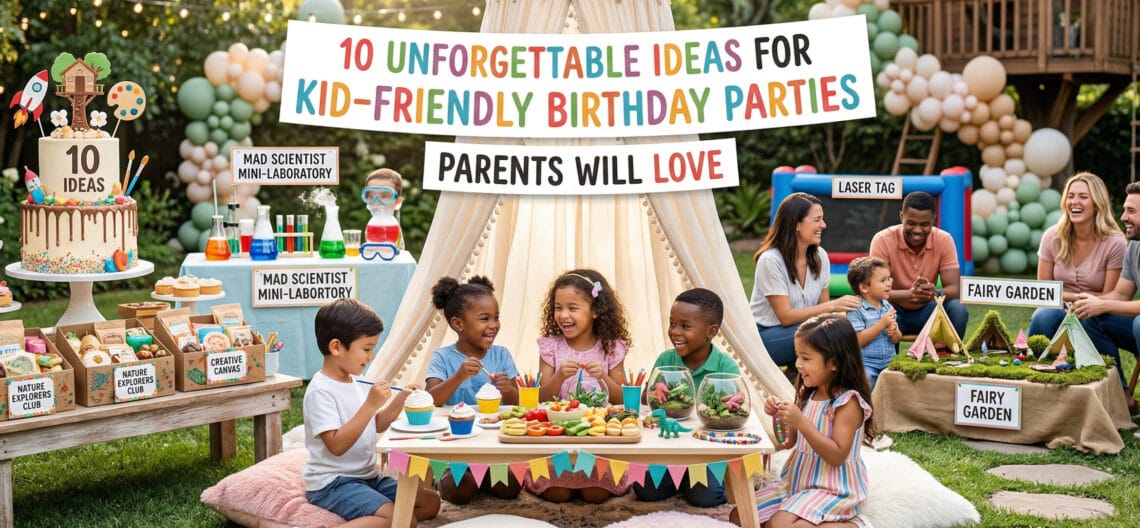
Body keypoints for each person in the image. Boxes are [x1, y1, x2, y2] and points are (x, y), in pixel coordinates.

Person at [303, 298, 440, 527]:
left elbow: (374, 424)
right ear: (336, 347)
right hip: (334, 483)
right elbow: (336, 446)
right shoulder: (321, 391)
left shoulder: (357, 381)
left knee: (430, 503)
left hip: (368, 477)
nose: (372, 355)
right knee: (400, 518)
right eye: (366, 348)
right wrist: (370, 405)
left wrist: (400, 399)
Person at [752, 313, 874, 528]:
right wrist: (779, 417)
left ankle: (854, 525)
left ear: (834, 363)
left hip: (834, 488)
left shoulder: (848, 403)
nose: (798, 364)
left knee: (777, 525)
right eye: (797, 356)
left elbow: (837, 456)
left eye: (806, 358)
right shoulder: (808, 392)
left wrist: (802, 423)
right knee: (742, 515)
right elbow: (788, 442)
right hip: (799, 483)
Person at [633, 288, 738, 507]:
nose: (674, 331)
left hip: (706, 454)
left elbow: (735, 408)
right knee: (645, 490)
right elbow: (647, 400)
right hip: (668, 449)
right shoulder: (666, 359)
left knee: (706, 498)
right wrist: (650, 394)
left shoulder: (724, 367)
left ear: (711, 331)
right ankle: (680, 479)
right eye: (672, 323)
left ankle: (715, 480)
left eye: (685, 326)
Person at [533, 269, 631, 503]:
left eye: (572, 308)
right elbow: (538, 397)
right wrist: (558, 377)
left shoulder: (611, 347)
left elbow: (623, 399)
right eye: (558, 307)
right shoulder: (551, 347)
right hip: (558, 438)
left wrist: (604, 379)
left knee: (595, 494)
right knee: (557, 493)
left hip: (598, 438)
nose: (563, 315)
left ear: (596, 311)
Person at [425, 275, 522, 504]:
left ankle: (484, 474)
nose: (493, 325)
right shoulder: (443, 357)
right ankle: (444, 478)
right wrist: (458, 375)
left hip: (493, 445)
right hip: (454, 446)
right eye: (484, 319)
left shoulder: (501, 355)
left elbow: (517, 403)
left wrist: (508, 389)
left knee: (511, 488)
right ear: (458, 324)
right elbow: (431, 400)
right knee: (461, 490)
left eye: (496, 318)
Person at [751, 193, 861, 371]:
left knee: (843, 329)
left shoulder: (820, 256)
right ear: (796, 225)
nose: (823, 225)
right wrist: (834, 306)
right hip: (766, 337)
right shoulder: (770, 260)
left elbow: (823, 313)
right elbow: (785, 317)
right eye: (817, 220)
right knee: (822, 335)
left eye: (822, 219)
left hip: (804, 331)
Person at [1028, 172, 1125, 356]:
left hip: (1095, 310)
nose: (1074, 202)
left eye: (1083, 197)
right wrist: (1073, 298)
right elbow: (1043, 291)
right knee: (1045, 314)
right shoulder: (1051, 236)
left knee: (1090, 318)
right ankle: (1036, 372)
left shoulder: (1115, 242)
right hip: (1056, 307)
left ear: (1097, 204)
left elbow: (1110, 295)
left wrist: (1070, 299)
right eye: (1070, 196)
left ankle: (1110, 380)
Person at [869, 191, 968, 338]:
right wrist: (909, 294)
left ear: (933, 220)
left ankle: (949, 357)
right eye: (911, 223)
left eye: (924, 224)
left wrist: (934, 293)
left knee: (957, 309)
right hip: (893, 309)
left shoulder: (944, 239)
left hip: (928, 309)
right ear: (902, 217)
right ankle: (886, 360)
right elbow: (874, 289)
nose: (917, 230)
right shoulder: (882, 239)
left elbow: (956, 289)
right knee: (878, 311)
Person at [1070, 181, 1140, 384]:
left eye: (1131, 211)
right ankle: (1116, 394)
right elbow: (1120, 294)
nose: (1123, 217)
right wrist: (1089, 302)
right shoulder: (1134, 247)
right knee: (1091, 317)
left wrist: (1103, 304)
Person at [846, 256, 901, 390]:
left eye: (889, 279)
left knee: (900, 384)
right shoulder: (856, 309)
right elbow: (857, 340)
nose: (888, 284)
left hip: (889, 362)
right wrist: (882, 324)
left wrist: (894, 331)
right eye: (883, 280)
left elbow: (896, 339)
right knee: (866, 384)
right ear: (864, 287)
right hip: (866, 364)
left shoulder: (888, 307)